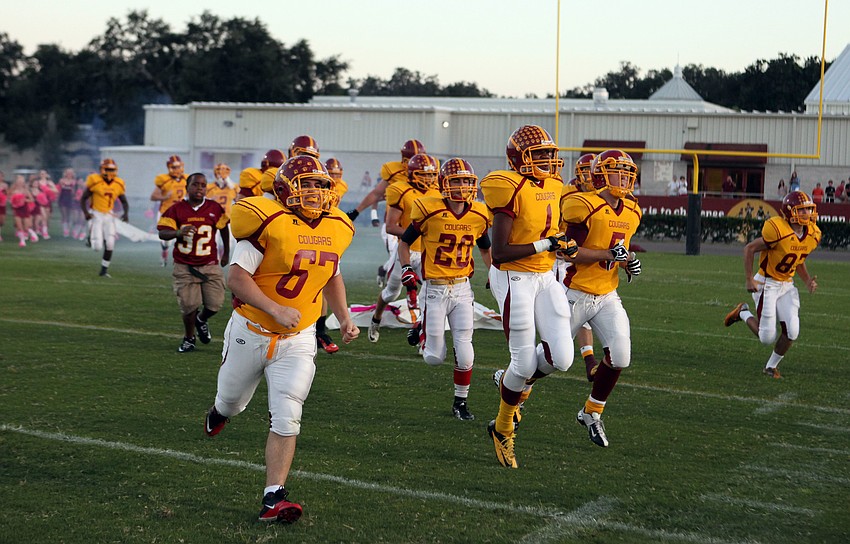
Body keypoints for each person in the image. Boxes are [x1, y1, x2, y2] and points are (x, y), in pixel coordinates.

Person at [204, 155, 358, 524]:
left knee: (288, 413)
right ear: (286, 188)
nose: (314, 192)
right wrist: (274, 308)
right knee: (232, 402)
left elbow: (331, 273)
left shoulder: (336, 226)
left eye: (320, 185)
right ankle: (220, 412)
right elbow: (237, 278)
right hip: (251, 330)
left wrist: (344, 316)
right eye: (306, 184)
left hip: (299, 338)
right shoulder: (266, 220)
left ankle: (273, 497)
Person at [481, 125, 578, 469]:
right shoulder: (506, 186)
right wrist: (548, 244)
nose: (548, 160)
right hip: (514, 276)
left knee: (562, 358)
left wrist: (563, 243)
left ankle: (509, 382)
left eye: (549, 154)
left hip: (545, 274)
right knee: (522, 363)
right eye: (539, 155)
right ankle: (503, 426)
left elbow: (550, 231)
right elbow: (501, 252)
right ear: (518, 158)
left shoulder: (553, 185)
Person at [397, 158, 492, 420]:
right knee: (434, 358)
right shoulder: (428, 210)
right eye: (457, 180)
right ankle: (421, 328)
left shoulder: (478, 214)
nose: (463, 186)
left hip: (462, 290)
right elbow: (404, 243)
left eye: (467, 181)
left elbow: (485, 247)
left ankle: (460, 402)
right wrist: (406, 268)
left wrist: (493, 271)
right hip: (435, 291)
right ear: (444, 184)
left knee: (465, 350)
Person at [561, 149, 643, 448]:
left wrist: (629, 261)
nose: (624, 177)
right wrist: (610, 255)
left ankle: (591, 412)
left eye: (627, 172)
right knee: (551, 360)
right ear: (601, 175)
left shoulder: (632, 211)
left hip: (607, 294)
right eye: (617, 171)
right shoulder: (584, 204)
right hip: (575, 290)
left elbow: (620, 249)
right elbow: (565, 250)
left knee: (620, 355)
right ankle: (513, 384)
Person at [724, 190, 820, 379]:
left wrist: (807, 280)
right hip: (767, 282)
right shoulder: (778, 230)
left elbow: (797, 259)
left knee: (792, 330)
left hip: (786, 284)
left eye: (809, 210)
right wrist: (749, 278)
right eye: (802, 210)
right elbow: (749, 249)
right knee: (766, 337)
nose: (807, 214)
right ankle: (743, 312)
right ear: (790, 212)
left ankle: (770, 367)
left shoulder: (812, 234)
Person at [367, 153, 442, 343]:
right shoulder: (401, 191)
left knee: (431, 293)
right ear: (412, 174)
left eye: (432, 175)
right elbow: (391, 226)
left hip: (427, 253)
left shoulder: (437, 193)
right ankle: (376, 319)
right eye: (424, 175)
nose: (429, 179)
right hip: (405, 250)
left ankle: (423, 334)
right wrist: (418, 232)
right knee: (391, 293)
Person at [157, 173, 231, 353]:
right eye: (196, 184)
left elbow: (223, 229)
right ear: (187, 187)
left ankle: (201, 320)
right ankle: (189, 338)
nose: (200, 188)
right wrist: (177, 233)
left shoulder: (214, 207)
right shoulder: (176, 209)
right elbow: (162, 233)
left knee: (216, 303)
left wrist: (226, 252)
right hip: (185, 265)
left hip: (210, 263)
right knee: (189, 305)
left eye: (203, 185)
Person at [80, 158, 129, 277]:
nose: (110, 172)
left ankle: (104, 270)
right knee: (97, 247)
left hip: (109, 215)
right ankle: (90, 237)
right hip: (96, 214)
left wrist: (126, 213)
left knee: (111, 243)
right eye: (107, 169)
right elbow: (83, 198)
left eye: (112, 169)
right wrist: (86, 213)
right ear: (102, 169)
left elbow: (124, 201)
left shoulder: (118, 183)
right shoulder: (95, 181)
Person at [151, 155, 188, 266]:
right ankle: (164, 253)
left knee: (184, 235)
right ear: (169, 167)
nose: (177, 170)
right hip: (166, 213)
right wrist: (164, 197)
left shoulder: (187, 179)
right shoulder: (163, 179)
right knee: (167, 240)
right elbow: (153, 196)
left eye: (178, 167)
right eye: (174, 167)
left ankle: (181, 259)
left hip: (181, 212)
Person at [207, 163, 238, 262]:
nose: (221, 174)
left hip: (227, 217)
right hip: (213, 218)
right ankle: (215, 260)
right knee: (213, 241)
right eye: (219, 171)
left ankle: (223, 258)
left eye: (224, 171)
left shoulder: (232, 187)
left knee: (225, 242)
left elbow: (239, 199)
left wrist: (229, 182)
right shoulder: (210, 187)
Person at [10, 174, 35, 246]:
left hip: (25, 209)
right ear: (16, 182)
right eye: (19, 181)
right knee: (19, 226)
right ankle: (22, 241)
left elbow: (32, 199)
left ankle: (32, 233)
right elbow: (9, 198)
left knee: (26, 227)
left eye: (22, 181)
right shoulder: (13, 189)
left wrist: (24, 200)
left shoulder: (25, 190)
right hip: (16, 209)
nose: (20, 182)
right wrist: (14, 201)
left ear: (23, 182)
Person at [58, 168, 78, 237]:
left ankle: (70, 229)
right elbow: (59, 190)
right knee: (64, 214)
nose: (69, 174)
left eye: (71, 173)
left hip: (71, 199)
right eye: (68, 173)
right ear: (65, 173)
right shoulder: (62, 180)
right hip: (63, 198)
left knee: (69, 215)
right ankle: (65, 230)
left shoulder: (75, 181)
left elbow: (75, 191)